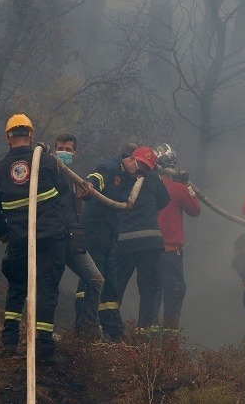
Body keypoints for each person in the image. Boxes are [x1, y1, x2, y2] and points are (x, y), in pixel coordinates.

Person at [0, 113, 68, 363]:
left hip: (19, 240)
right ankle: (42, 348)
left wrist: (6, 234)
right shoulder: (47, 163)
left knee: (17, 287)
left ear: (7, 139)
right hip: (50, 238)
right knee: (46, 290)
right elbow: (63, 191)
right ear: (31, 135)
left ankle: (9, 340)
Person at [80, 143, 139, 342]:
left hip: (109, 239)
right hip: (94, 234)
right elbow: (95, 178)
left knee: (111, 285)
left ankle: (114, 331)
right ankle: (84, 327)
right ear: (129, 158)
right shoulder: (109, 167)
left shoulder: (129, 177)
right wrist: (90, 187)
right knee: (91, 280)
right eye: (137, 164)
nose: (138, 171)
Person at [53, 134, 105, 339]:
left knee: (95, 279)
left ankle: (87, 332)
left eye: (68, 150)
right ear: (53, 150)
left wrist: (80, 198)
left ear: (75, 154)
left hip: (72, 237)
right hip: (52, 237)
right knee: (48, 285)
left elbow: (72, 210)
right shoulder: (49, 172)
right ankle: (42, 334)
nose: (63, 153)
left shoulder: (73, 179)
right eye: (60, 149)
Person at [115, 146, 170, 335]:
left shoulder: (120, 176)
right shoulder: (153, 176)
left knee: (116, 285)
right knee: (149, 288)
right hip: (149, 243)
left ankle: (109, 327)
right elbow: (164, 200)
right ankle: (143, 331)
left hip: (125, 242)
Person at [152, 144, 200, 333]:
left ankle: (146, 345)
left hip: (150, 252)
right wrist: (187, 184)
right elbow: (195, 210)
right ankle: (170, 349)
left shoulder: (145, 186)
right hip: (171, 253)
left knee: (152, 296)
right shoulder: (178, 188)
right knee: (174, 294)